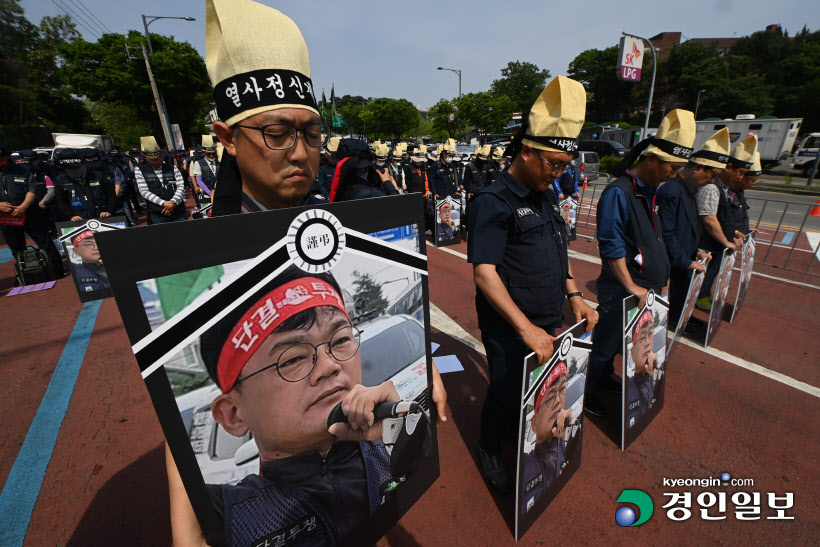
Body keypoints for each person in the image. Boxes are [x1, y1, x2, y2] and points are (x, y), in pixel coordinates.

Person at [170, 3, 449, 544]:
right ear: (226, 137)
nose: (301, 154)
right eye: (277, 133)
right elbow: (167, 406)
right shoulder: (201, 252)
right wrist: (189, 534)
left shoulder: (333, 223)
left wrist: (420, 374)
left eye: (312, 133)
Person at [198, 266, 430, 546]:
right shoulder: (223, 520)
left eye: (341, 340)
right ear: (233, 414)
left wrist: (416, 437)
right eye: (292, 359)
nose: (329, 365)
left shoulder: (403, 448)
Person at [467, 75, 597, 493]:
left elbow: (559, 253)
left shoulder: (545, 195)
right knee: (504, 390)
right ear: (526, 151)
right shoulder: (493, 201)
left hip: (546, 317)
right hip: (510, 326)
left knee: (535, 388)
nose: (557, 174)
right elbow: (484, 273)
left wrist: (574, 294)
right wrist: (526, 329)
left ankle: (511, 430)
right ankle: (488, 447)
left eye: (564, 166)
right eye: (552, 164)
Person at [584, 109, 695, 418]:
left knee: (621, 344)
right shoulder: (619, 192)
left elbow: (653, 239)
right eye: (670, 168)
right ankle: (587, 392)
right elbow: (611, 246)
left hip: (646, 289)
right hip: (624, 290)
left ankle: (602, 377)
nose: (673, 176)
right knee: (605, 342)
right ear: (651, 160)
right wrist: (631, 285)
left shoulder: (649, 192)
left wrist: (665, 277)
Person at [657, 128, 728, 328]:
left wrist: (695, 252)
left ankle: (679, 319)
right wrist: (684, 260)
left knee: (680, 297)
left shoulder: (689, 190)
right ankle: (673, 322)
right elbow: (667, 232)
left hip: (683, 258)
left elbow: (686, 229)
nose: (712, 181)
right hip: (672, 261)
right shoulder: (672, 190)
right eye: (712, 175)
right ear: (698, 167)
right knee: (669, 299)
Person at [695, 135, 755, 310]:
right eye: (741, 173)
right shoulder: (712, 187)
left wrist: (734, 233)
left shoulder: (722, 188)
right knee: (701, 277)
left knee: (710, 274)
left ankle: (700, 297)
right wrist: (726, 241)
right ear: (728, 167)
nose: (740, 177)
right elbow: (709, 219)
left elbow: (723, 217)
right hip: (708, 245)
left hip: (717, 246)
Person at [0, 144, 63, 277]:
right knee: (16, 247)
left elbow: (32, 189)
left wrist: (24, 206)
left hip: (29, 211)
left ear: (7, 156)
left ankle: (57, 270)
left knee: (45, 242)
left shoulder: (22, 169)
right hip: (6, 216)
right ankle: (25, 274)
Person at [520, 362, 573, 513]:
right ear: (534, 422)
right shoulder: (525, 465)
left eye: (562, 389)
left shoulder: (566, 443)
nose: (558, 400)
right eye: (550, 397)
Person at [53, 148, 119, 222]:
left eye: (75, 167)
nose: (73, 170)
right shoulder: (61, 180)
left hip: (102, 216)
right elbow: (61, 201)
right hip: (79, 219)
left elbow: (111, 195)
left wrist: (108, 211)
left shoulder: (97, 176)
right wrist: (71, 216)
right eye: (69, 168)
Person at [135, 136, 188, 224]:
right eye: (151, 160)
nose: (155, 163)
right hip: (158, 212)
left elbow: (180, 187)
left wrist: (173, 203)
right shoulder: (140, 170)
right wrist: (163, 203)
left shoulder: (172, 168)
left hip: (177, 210)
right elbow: (144, 191)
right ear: (145, 157)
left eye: (157, 159)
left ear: (161, 156)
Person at [625, 310, 657, 427]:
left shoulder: (651, 378)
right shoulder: (629, 387)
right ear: (632, 353)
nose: (648, 342)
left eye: (651, 334)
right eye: (642, 337)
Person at [726, 150, 760, 235]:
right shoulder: (726, 192)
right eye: (753, 180)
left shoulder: (739, 192)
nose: (754, 183)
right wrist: (734, 232)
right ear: (742, 177)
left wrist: (745, 229)